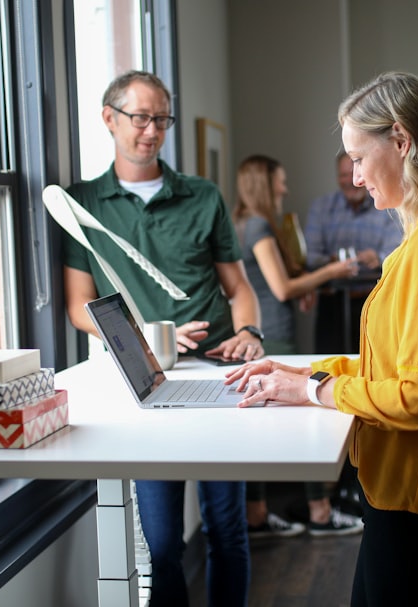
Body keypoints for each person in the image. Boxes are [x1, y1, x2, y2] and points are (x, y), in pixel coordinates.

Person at [226, 71, 418, 606]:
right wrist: (305, 374)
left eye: (359, 157)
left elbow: (417, 397)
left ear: (402, 141)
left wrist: (312, 392)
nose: (354, 177)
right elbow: (394, 369)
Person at [61, 70, 263, 606]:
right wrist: (143, 333)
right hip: (145, 388)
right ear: (109, 118)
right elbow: (79, 307)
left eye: (162, 119)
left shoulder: (202, 196)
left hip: (221, 380)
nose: (152, 130)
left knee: (227, 532)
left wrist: (249, 331)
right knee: (163, 545)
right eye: (140, 117)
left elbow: (239, 288)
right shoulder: (83, 204)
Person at [232, 154, 365, 539]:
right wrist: (332, 272)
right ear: (264, 184)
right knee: (309, 415)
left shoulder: (242, 224)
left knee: (258, 428)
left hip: (263, 333)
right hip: (274, 336)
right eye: (280, 181)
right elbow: (282, 289)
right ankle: (320, 512)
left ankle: (256, 514)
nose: (285, 188)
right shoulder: (257, 225)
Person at [304, 150, 403, 354]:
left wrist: (379, 257)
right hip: (332, 305)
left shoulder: (388, 207)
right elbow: (311, 258)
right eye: (343, 175)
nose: (350, 181)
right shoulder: (321, 208)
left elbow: (398, 255)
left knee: (374, 371)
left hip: (375, 302)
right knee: (327, 367)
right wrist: (333, 263)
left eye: (355, 173)